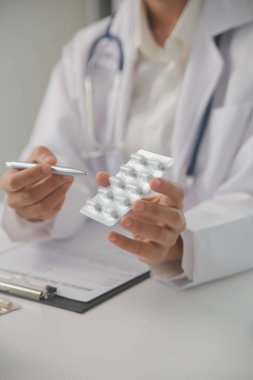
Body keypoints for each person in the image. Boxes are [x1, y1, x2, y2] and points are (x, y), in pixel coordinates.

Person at [1, 0, 253, 288]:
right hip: (91, 278)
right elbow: (62, 165)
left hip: (221, 290)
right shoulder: (88, 48)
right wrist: (37, 202)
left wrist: (183, 243)